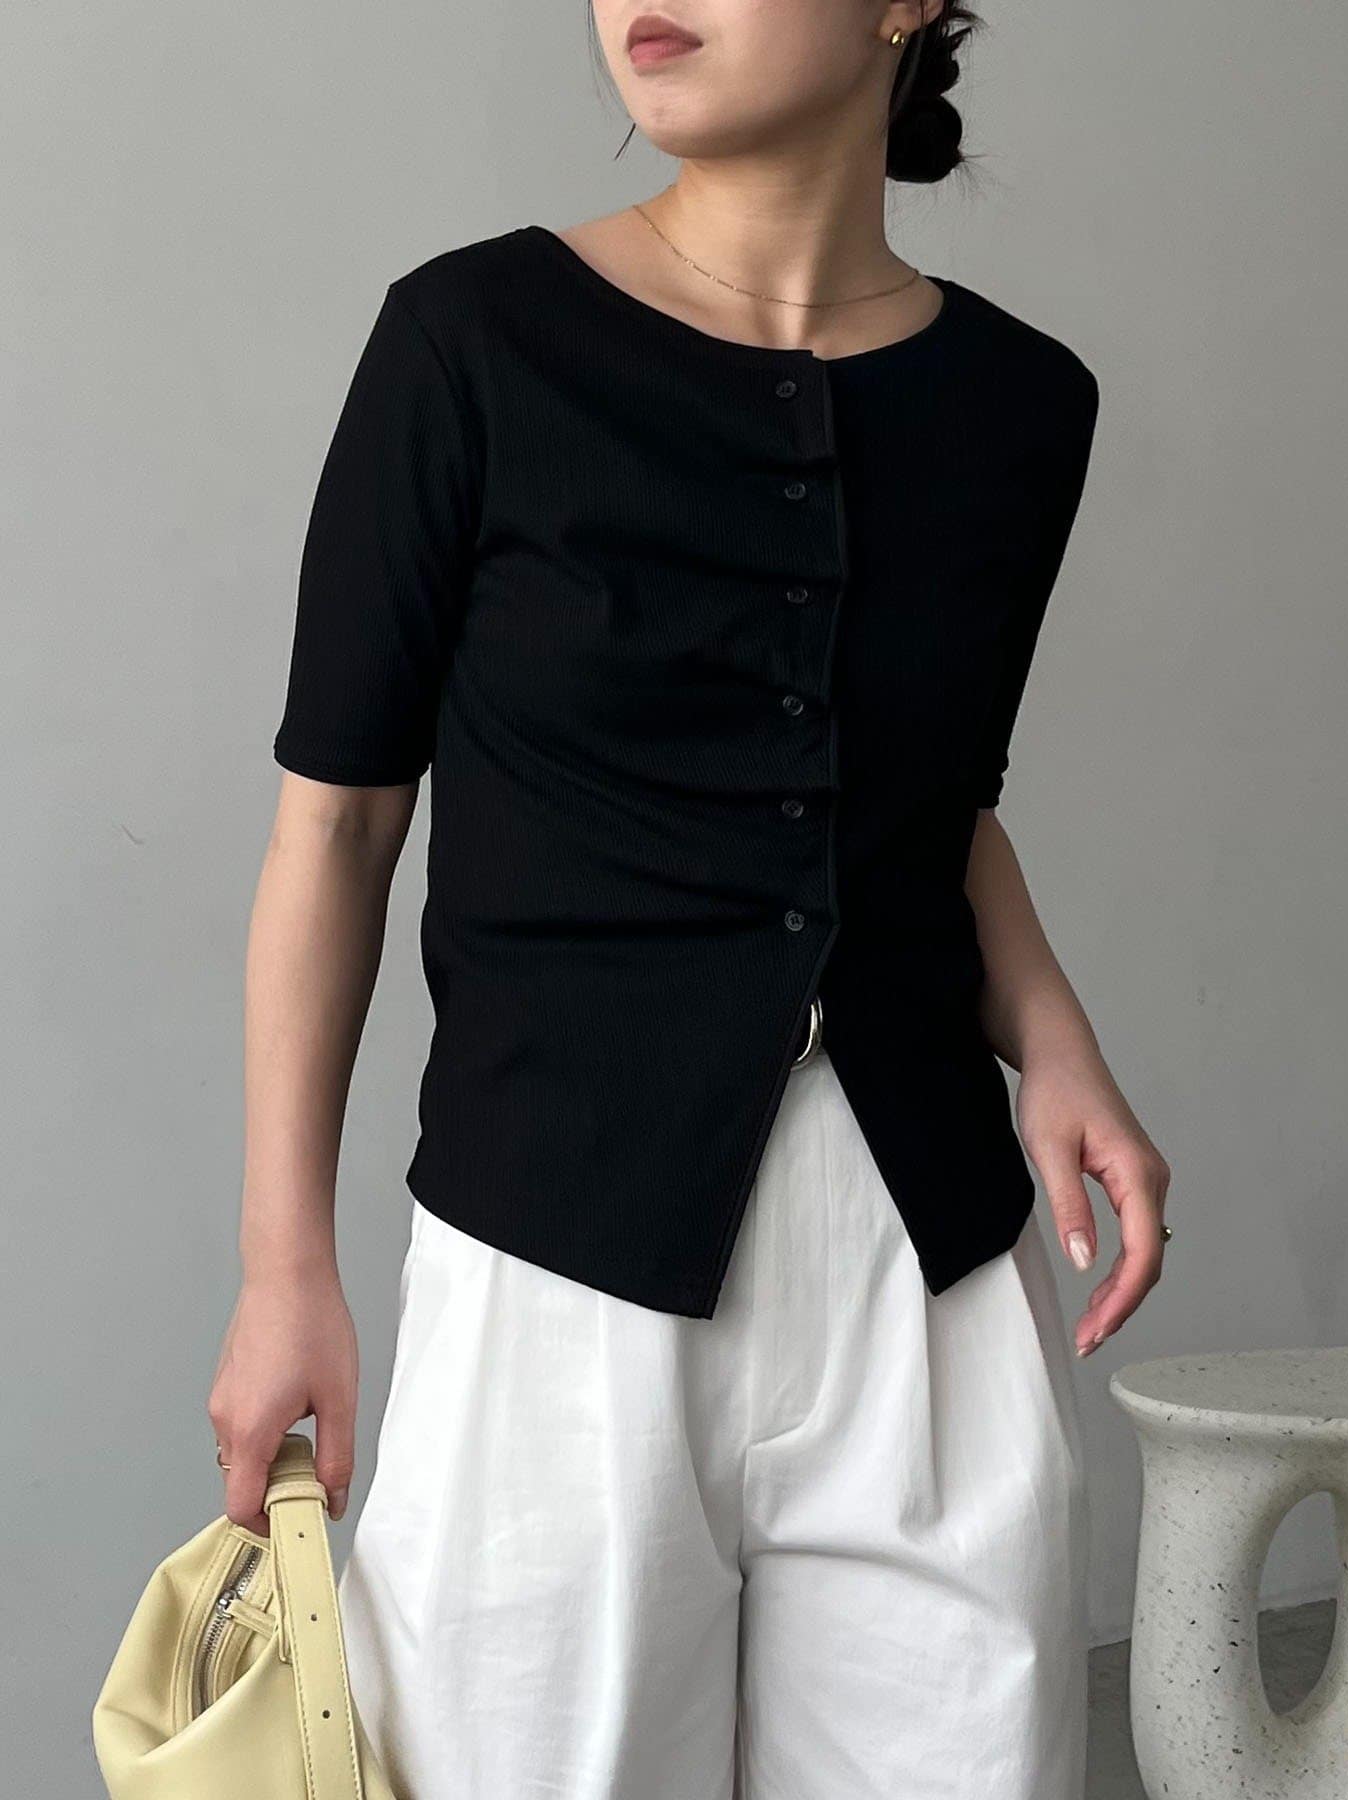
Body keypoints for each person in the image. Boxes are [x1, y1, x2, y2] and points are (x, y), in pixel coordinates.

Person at [209, 2, 1172, 1794]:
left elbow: (936, 802)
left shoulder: (1024, 406)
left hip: (927, 1269)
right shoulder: (472, 342)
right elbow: (334, 829)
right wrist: (286, 1269)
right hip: (555, 1264)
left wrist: (1057, 1043)